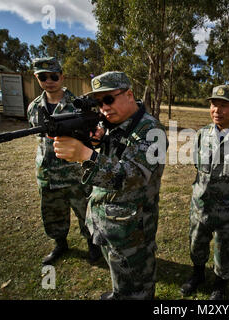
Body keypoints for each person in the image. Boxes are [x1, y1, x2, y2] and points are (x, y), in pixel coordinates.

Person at [53, 71, 167, 300]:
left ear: (129, 95)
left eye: (108, 99)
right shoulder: (113, 123)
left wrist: (87, 155)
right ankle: (119, 292)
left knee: (138, 286)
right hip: (108, 221)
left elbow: (132, 176)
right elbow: (114, 150)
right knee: (117, 268)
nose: (104, 108)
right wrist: (96, 140)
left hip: (134, 228)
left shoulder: (152, 131)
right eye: (98, 102)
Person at [180, 85, 229, 300]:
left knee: (224, 251)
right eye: (214, 104)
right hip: (200, 205)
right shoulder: (201, 135)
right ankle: (197, 275)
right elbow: (199, 168)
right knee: (196, 244)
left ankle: (220, 284)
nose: (217, 110)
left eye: (224, 105)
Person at [27, 57, 101, 265]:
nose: (49, 80)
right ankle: (60, 244)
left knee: (85, 212)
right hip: (48, 173)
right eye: (43, 77)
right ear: (37, 78)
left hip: (75, 173)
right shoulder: (34, 108)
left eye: (54, 76)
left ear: (62, 76)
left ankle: (93, 245)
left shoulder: (78, 105)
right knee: (52, 213)